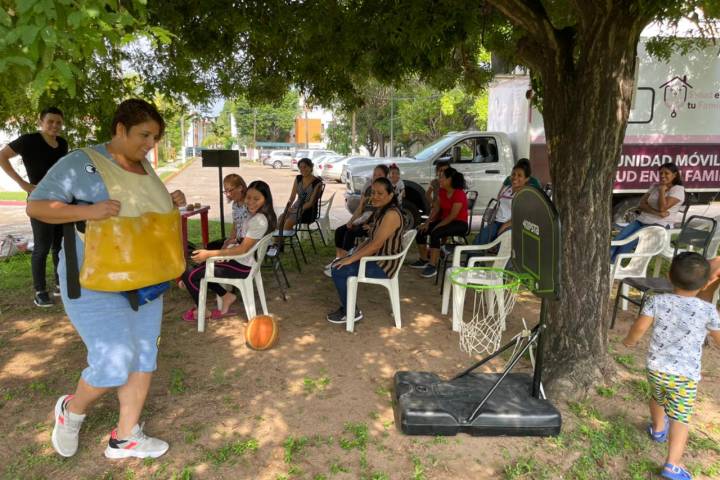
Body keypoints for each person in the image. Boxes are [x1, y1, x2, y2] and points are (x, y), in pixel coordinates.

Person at [27, 99, 186, 459]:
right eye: (144, 135)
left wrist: (170, 201)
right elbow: (36, 205)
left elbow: (142, 214)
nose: (150, 144)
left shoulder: (144, 166)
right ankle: (71, 410)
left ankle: (126, 437)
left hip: (144, 279)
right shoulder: (81, 163)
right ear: (120, 129)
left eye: (155, 137)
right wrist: (87, 211)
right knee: (113, 362)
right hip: (93, 281)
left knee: (143, 356)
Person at [623, 252, 720, 480]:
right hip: (685, 377)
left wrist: (629, 341)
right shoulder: (708, 310)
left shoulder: (656, 301)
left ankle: (658, 429)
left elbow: (639, 328)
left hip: (656, 369)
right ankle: (672, 464)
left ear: (669, 276)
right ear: (707, 284)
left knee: (657, 397)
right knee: (680, 419)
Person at [0, 107, 68, 307]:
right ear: (41, 122)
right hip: (39, 201)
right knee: (42, 247)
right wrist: (23, 184)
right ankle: (40, 291)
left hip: (60, 200)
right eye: (50, 121)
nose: (55, 125)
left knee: (59, 245)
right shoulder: (28, 140)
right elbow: (2, 156)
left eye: (58, 122)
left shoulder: (62, 143)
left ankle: (60, 284)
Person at [180, 180, 277, 321]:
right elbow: (245, 242)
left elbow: (243, 249)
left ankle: (204, 310)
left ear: (266, 200)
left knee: (188, 274)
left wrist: (210, 254)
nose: (251, 202)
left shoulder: (259, 220)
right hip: (243, 262)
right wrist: (233, 241)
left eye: (256, 199)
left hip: (241, 266)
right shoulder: (257, 216)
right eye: (248, 197)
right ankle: (226, 296)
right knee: (199, 268)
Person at [326, 177, 404, 324]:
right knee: (340, 263)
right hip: (377, 258)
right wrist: (352, 255)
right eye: (373, 192)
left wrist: (350, 259)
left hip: (384, 265)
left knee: (338, 269)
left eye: (380, 193)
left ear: (390, 195)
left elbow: (375, 245)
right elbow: (370, 240)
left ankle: (351, 312)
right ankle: (348, 307)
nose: (375, 196)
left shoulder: (391, 214)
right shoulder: (382, 211)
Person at [611, 163, 685, 263]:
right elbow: (641, 204)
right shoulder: (655, 186)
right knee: (618, 239)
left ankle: (612, 265)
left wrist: (662, 191)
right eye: (661, 173)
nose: (662, 176)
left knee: (627, 242)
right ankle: (605, 263)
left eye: (666, 173)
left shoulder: (678, 190)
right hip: (642, 219)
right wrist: (657, 213)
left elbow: (662, 208)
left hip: (659, 224)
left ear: (675, 174)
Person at [327, 164, 389, 275]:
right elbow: (360, 208)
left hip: (373, 224)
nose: (376, 177)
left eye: (379, 175)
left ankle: (342, 264)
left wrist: (372, 225)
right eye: (374, 174)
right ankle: (338, 259)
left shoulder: (386, 192)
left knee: (351, 232)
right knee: (340, 230)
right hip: (363, 219)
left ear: (386, 177)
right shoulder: (369, 187)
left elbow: (385, 215)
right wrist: (351, 221)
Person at [410, 167, 468, 278]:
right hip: (445, 221)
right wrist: (427, 223)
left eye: (442, 177)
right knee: (421, 231)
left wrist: (437, 226)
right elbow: (436, 208)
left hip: (459, 223)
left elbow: (452, 216)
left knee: (435, 233)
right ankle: (423, 259)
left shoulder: (459, 194)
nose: (439, 179)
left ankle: (432, 266)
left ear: (450, 179)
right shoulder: (442, 191)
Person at [475, 159, 531, 245]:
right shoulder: (507, 188)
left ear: (526, 179)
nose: (515, 177)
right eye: (513, 174)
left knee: (499, 248)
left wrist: (503, 227)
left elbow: (520, 217)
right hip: (496, 223)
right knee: (478, 241)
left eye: (519, 175)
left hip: (511, 226)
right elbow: (498, 203)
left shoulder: (524, 194)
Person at [273, 157, 323, 252]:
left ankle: (278, 245)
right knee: (281, 219)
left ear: (311, 167)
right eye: (300, 167)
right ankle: (277, 245)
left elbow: (311, 202)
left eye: (305, 167)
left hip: (308, 211)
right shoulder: (298, 178)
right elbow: (292, 197)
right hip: (296, 206)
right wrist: (287, 207)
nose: (303, 169)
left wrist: (296, 210)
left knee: (288, 222)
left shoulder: (317, 182)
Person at [202, 174, 248, 251]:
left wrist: (231, 243)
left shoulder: (249, 205)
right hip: (238, 240)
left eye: (230, 190)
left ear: (240, 188)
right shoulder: (235, 205)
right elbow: (235, 226)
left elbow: (249, 232)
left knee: (215, 251)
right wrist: (229, 240)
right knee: (210, 246)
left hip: (245, 242)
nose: (227, 194)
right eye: (225, 191)